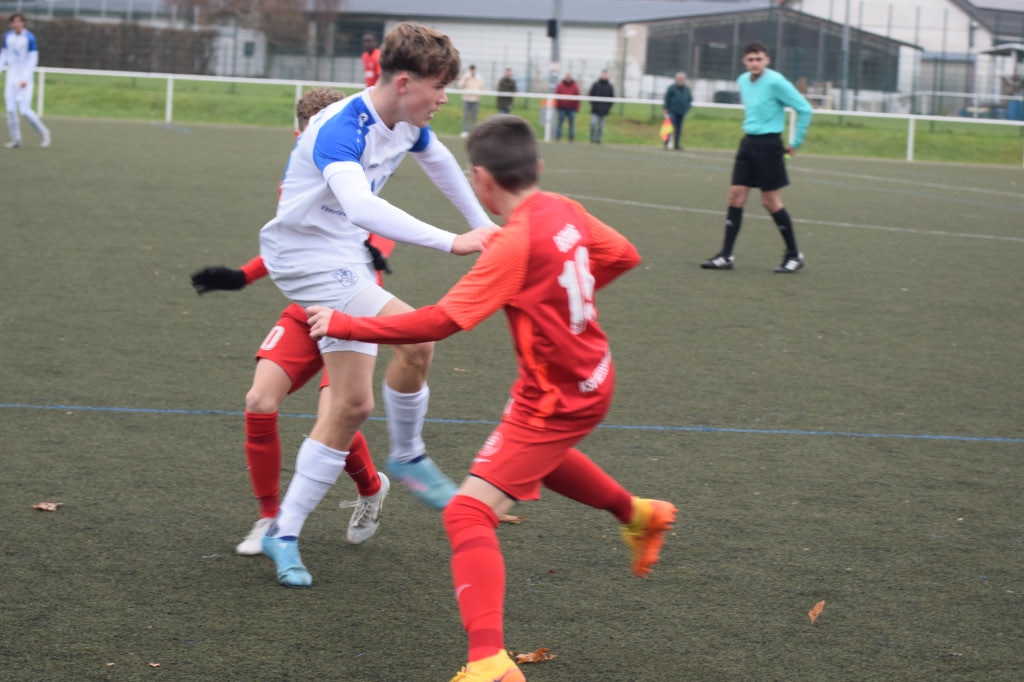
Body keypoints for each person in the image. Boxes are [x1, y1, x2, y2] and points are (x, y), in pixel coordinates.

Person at [307, 115, 678, 682]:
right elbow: (622, 254)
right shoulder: (563, 207)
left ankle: (490, 664)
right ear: (537, 167)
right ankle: (639, 514)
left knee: (468, 513)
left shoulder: (513, 244)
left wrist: (348, 324)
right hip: (586, 375)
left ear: (480, 180)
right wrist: (560, 295)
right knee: (540, 459)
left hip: (556, 396)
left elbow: (439, 321)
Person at [256, 22, 497, 588]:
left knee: (352, 405)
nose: (444, 99)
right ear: (405, 82)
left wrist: (485, 226)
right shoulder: (341, 127)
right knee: (418, 338)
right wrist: (455, 241)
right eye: (439, 87)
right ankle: (408, 456)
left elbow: (439, 162)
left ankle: (283, 533)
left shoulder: (405, 121)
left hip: (342, 256)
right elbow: (362, 208)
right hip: (305, 258)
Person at [190, 88, 394, 557]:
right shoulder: (298, 178)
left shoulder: (355, 175)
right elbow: (292, 245)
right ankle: (269, 517)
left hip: (350, 315)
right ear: (298, 135)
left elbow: (379, 229)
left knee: (336, 416)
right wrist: (242, 276)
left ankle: (370, 488)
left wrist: (374, 248)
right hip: (305, 311)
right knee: (259, 400)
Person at [700, 41, 813, 274]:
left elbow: (804, 108)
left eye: (759, 59)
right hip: (748, 144)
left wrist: (796, 142)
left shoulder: (776, 81)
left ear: (766, 60)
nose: (754, 63)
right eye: (751, 59)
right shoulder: (743, 80)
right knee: (735, 196)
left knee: (770, 202)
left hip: (769, 145)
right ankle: (726, 255)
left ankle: (794, 254)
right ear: (744, 61)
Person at [1, 13, 50, 149]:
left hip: (25, 78)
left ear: (23, 23)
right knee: (10, 110)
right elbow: (3, 56)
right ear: (11, 24)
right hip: (11, 76)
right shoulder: (7, 37)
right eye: (13, 22)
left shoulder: (30, 38)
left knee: (25, 110)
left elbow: (33, 59)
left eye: (18, 21)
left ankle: (43, 131)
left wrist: (25, 78)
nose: (16, 24)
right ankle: (16, 140)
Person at [662, 72, 692, 151]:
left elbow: (689, 99)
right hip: (672, 111)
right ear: (676, 79)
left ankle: (677, 144)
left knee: (679, 129)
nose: (681, 80)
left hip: (681, 112)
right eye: (679, 79)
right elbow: (667, 98)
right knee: (670, 127)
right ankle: (667, 143)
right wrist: (666, 108)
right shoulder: (672, 88)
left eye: (682, 79)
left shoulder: (687, 89)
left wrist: (687, 108)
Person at [588, 69, 614, 144]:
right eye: (603, 74)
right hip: (595, 109)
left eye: (605, 74)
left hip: (604, 110)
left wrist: (607, 107)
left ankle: (598, 139)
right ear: (601, 75)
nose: (604, 75)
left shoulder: (609, 86)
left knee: (601, 126)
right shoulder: (596, 84)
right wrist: (594, 105)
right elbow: (591, 95)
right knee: (593, 123)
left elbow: (611, 98)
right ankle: (592, 138)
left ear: (607, 75)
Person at [458, 64, 483, 138]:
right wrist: (465, 79)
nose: (473, 71)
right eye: (471, 69)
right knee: (466, 116)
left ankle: (474, 132)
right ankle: (464, 131)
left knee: (474, 117)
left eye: (474, 69)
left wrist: (478, 94)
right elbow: (460, 85)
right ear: (469, 70)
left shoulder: (479, 77)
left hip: (475, 99)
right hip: (467, 99)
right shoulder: (465, 76)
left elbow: (481, 87)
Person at [554, 72, 580, 141]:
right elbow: (557, 95)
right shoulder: (561, 85)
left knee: (571, 123)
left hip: (571, 108)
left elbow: (578, 96)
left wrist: (576, 107)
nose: (568, 78)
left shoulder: (575, 85)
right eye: (567, 76)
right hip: (562, 107)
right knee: (560, 123)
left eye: (569, 76)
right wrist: (557, 106)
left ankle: (571, 137)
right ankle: (558, 137)